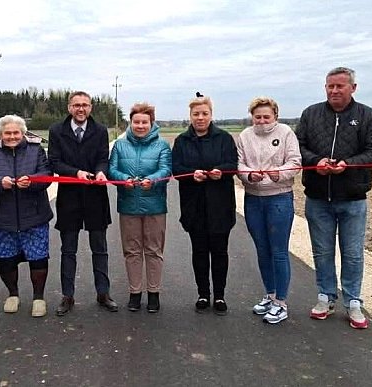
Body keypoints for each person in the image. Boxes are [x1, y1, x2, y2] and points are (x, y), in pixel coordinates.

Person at [296, 67, 372, 329]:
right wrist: (316, 161)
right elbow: (298, 146)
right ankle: (325, 296)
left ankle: (353, 301)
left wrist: (348, 164)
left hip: (353, 197)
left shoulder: (367, 115)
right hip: (318, 197)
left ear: (353, 88)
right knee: (322, 251)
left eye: (340, 86)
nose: (334, 91)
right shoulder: (311, 114)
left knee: (353, 253)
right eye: (330, 86)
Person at [48, 91, 118, 315]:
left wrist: (100, 172)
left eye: (85, 105)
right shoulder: (57, 131)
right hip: (69, 197)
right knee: (68, 250)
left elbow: (103, 157)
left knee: (100, 249)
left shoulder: (99, 131)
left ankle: (103, 293)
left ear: (91, 108)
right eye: (76, 105)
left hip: (95, 197)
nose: (81, 109)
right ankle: (67, 296)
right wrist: (75, 173)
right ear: (69, 107)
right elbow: (55, 162)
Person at [0, 115, 53, 317]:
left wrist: (32, 181)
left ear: (23, 133)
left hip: (34, 215)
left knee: (38, 258)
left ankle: (38, 297)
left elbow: (47, 175)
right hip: (3, 217)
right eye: (7, 133)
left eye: (15, 133)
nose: (12, 136)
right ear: (0, 134)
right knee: (5, 259)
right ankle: (13, 293)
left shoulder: (36, 151)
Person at [235, 97, 301, 324]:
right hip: (253, 198)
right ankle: (270, 294)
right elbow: (239, 163)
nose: (262, 121)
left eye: (266, 116)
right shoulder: (244, 135)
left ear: (275, 116)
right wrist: (248, 175)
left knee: (279, 251)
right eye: (258, 117)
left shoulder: (285, 133)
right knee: (262, 250)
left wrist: (279, 173)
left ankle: (281, 302)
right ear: (252, 117)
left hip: (279, 198)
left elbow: (295, 161)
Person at [171, 94, 238, 315]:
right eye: (196, 114)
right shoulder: (182, 141)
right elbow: (177, 169)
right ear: (190, 116)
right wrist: (192, 175)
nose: (200, 118)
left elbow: (233, 164)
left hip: (220, 204)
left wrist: (221, 171)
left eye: (204, 114)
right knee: (199, 252)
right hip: (194, 206)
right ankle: (203, 293)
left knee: (220, 252)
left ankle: (219, 296)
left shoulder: (224, 138)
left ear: (211, 115)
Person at [108, 103, 172, 313]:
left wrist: (152, 180)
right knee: (132, 251)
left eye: (144, 122)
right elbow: (112, 170)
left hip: (155, 206)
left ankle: (154, 293)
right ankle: (135, 292)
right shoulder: (120, 145)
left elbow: (165, 169)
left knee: (154, 251)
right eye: (136, 122)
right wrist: (124, 179)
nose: (140, 125)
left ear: (151, 123)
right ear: (131, 122)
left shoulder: (162, 145)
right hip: (128, 205)